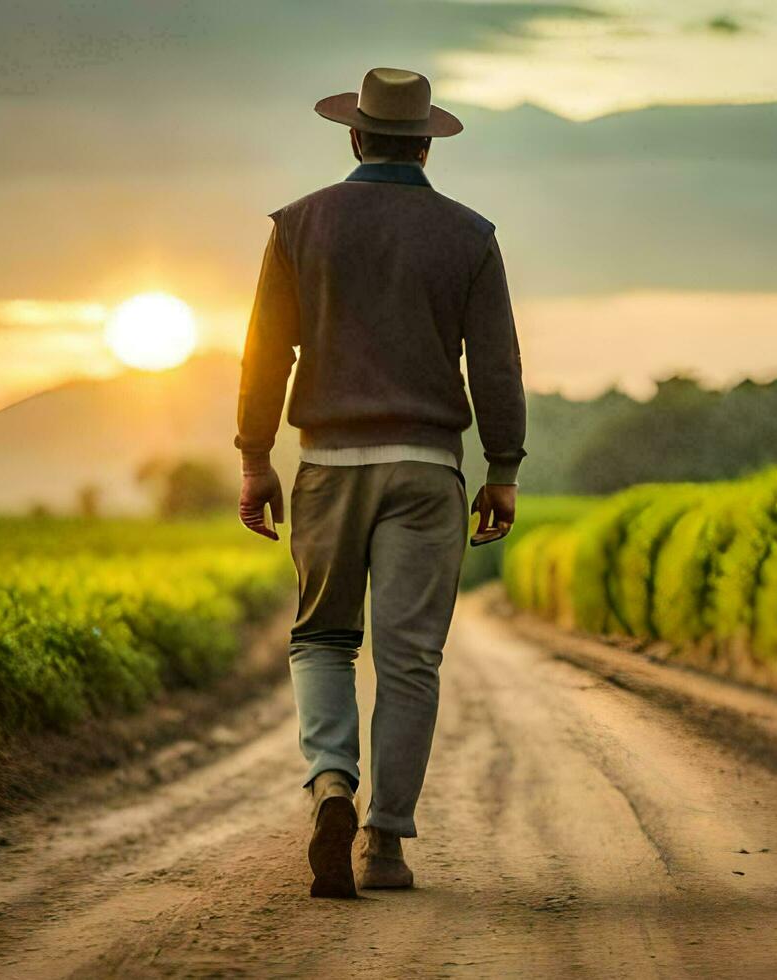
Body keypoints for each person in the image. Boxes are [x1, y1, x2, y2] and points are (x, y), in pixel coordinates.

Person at [234, 67, 526, 898]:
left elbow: (266, 352)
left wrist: (256, 458)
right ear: (427, 143)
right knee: (410, 659)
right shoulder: (470, 236)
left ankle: (332, 780)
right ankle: (386, 844)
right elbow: (496, 362)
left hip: (328, 463)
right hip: (429, 470)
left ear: (355, 136)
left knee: (323, 637)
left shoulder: (299, 225)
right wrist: (502, 469)